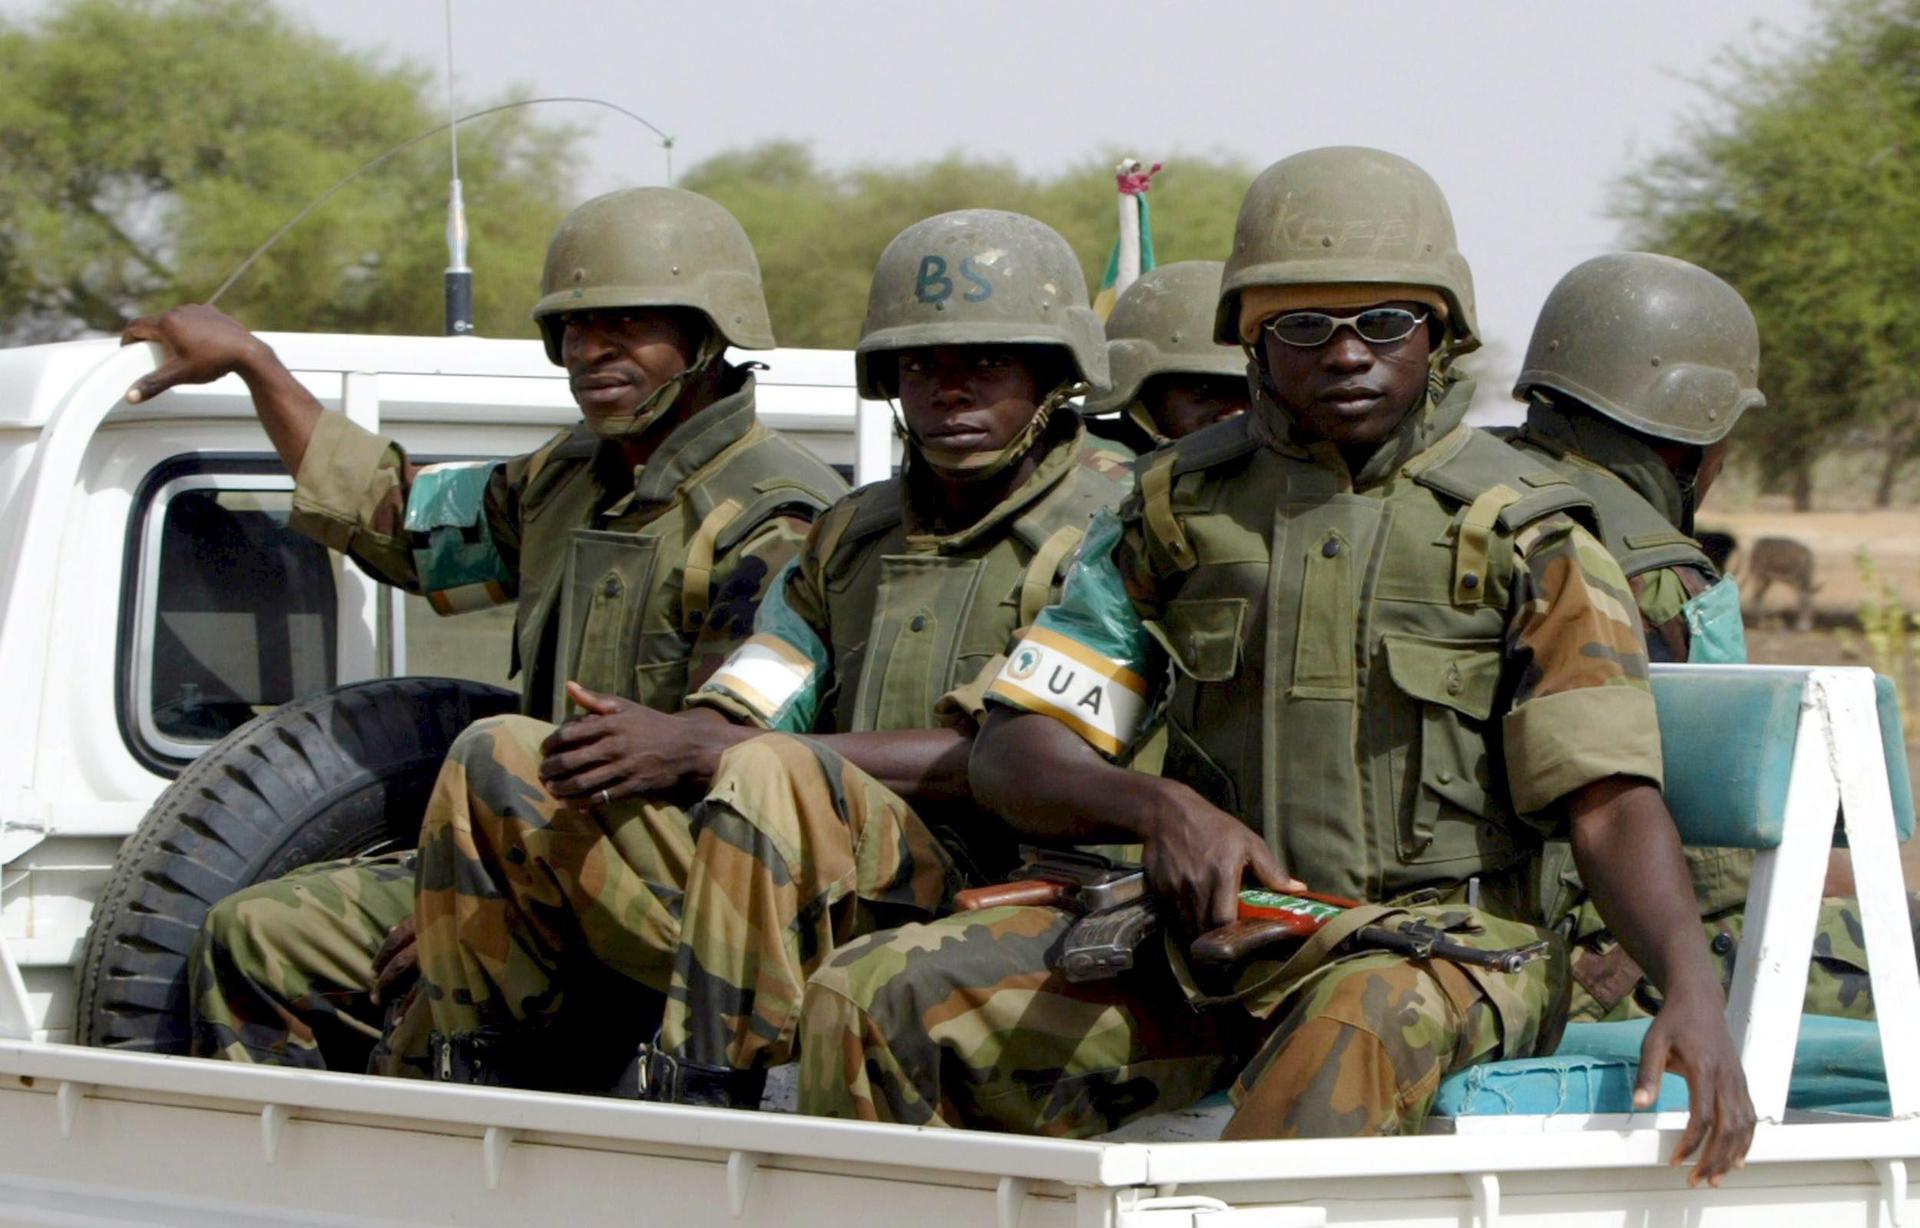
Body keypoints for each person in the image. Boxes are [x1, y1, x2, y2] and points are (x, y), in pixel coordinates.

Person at [797, 147, 1754, 1186]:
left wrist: (1693, 992)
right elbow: (1016, 748)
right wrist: (1156, 805)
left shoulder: (1526, 533)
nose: (1346, 353)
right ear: (1251, 341)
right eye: (1303, 325)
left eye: (1384, 322)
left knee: (1353, 1021)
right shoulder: (1172, 513)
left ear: (1440, 336)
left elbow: (1609, 798)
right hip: (1216, 944)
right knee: (871, 994)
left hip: (1448, 956)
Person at [403, 209, 1133, 1101]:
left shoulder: (1113, 528)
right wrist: (664, 740)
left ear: (1056, 377)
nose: (949, 390)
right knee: (503, 753)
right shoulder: (852, 534)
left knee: (763, 771)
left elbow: (1006, 761)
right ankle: (480, 1079)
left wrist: (723, 750)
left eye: (988, 362)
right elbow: (759, 694)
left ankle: (721, 1090)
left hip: (1021, 886)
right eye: (921, 365)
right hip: (833, 867)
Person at [122, 187, 847, 1070]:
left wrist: (473, 918)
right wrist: (256, 365)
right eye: (574, 329)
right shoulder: (570, 476)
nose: (590, 351)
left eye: (628, 324)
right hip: (534, 854)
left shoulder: (776, 513)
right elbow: (402, 525)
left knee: (493, 766)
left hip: (693, 891)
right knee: (259, 934)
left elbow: (737, 756)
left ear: (708, 333)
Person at [1506, 251, 1911, 1023]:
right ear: (1691, 434)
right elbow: (1722, 859)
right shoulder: (1658, 578)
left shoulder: (1463, 498)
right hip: (1598, 971)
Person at [1084, 260, 1248, 454]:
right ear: (1139, 396)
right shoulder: (1091, 476)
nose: (1237, 414)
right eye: (1204, 391)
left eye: (1250, 393)